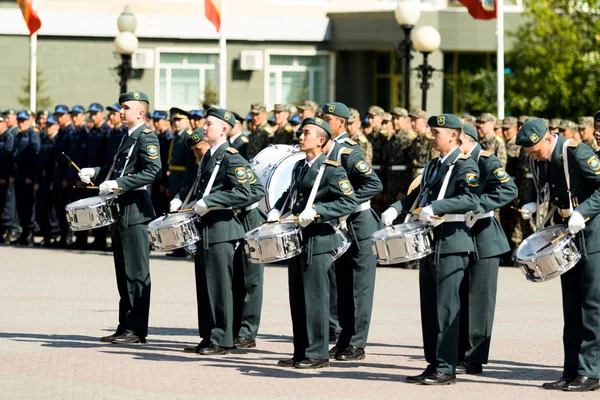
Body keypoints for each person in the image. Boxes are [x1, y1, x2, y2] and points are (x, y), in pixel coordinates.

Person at [381, 114, 480, 385]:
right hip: (430, 242)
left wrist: (437, 208)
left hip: (452, 241)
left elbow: (470, 198)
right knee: (431, 306)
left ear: (453, 135)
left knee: (446, 307)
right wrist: (396, 208)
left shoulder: (465, 165)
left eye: (435, 132)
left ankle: (446, 368)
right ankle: (434, 362)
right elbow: (417, 196)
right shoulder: (433, 165)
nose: (431, 136)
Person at [516, 118, 600, 392]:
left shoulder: (576, 152)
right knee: (572, 307)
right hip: (568, 234)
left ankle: (591, 372)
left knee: (592, 307)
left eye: (537, 150)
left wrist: (584, 211)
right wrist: (533, 200)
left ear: (549, 139)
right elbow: (544, 184)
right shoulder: (539, 157)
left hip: (592, 235)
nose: (534, 156)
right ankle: (571, 371)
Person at [268, 116, 357, 369]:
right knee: (298, 296)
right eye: (300, 132)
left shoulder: (332, 169)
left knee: (315, 297)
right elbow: (290, 193)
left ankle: (317, 353)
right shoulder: (299, 166)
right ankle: (301, 351)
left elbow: (348, 202)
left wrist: (318, 210)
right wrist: (277, 209)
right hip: (298, 237)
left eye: (306, 133)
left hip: (318, 239)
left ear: (320, 140)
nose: (300, 136)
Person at [78, 91, 161, 344]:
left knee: (136, 273)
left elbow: (153, 171)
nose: (120, 111)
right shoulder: (126, 137)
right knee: (123, 273)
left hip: (135, 211)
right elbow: (118, 170)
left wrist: (118, 184)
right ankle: (125, 325)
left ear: (140, 112)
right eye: (120, 107)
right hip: (121, 211)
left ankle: (136, 330)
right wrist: (97, 172)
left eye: (126, 107)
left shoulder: (147, 137)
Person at [171, 107, 253, 355]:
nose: (204, 128)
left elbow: (249, 191)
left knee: (219, 286)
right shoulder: (208, 157)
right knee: (205, 285)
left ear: (224, 130)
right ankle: (208, 335)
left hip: (222, 230)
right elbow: (198, 188)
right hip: (204, 229)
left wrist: (214, 201)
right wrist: (180, 199)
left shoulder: (232, 158)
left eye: (209, 125)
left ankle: (222, 339)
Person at [321, 102, 383, 362]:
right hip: (341, 226)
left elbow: (373, 183)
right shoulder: (328, 150)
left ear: (341, 124)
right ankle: (345, 339)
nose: (323, 123)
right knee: (343, 287)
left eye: (328, 119)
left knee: (360, 288)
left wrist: (346, 203)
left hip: (359, 225)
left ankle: (357, 344)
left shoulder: (349, 152)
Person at [456, 123, 517, 374]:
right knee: (459, 296)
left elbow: (508, 189)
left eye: (456, 139)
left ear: (468, 141)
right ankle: (459, 352)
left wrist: (478, 205)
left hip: (484, 236)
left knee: (479, 301)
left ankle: (475, 357)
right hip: (460, 234)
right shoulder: (454, 162)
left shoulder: (485, 160)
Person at [11, 111, 41, 246]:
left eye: (23, 121)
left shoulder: (33, 136)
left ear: (29, 122)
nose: (21, 123)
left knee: (29, 206)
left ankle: (30, 233)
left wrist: (31, 177)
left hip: (28, 175)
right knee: (20, 206)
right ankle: (23, 232)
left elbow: (35, 158)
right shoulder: (17, 136)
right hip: (19, 175)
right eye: (19, 121)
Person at [87, 103, 111, 250]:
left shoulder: (107, 132)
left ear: (102, 114)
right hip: (91, 175)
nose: (92, 116)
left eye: (95, 114)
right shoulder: (92, 132)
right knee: (93, 207)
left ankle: (102, 238)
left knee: (102, 207)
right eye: (91, 114)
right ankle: (97, 237)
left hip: (102, 174)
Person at [35, 115, 60, 247]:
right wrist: (37, 181)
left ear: (57, 126)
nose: (48, 128)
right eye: (47, 125)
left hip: (52, 178)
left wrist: (53, 181)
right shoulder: (45, 140)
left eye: (50, 125)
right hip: (43, 178)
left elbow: (57, 164)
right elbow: (39, 163)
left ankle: (55, 233)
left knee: (52, 209)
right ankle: (46, 234)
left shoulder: (57, 141)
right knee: (42, 208)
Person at [67, 105, 90, 249]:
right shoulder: (74, 134)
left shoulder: (85, 133)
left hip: (82, 178)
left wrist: (82, 177)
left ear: (83, 116)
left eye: (77, 115)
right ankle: (77, 237)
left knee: (82, 209)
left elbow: (86, 157)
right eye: (73, 115)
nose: (74, 118)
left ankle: (82, 239)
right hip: (72, 176)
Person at [151, 110, 173, 217]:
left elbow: (166, 164)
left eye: (158, 121)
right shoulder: (156, 137)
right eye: (154, 121)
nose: (156, 123)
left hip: (164, 178)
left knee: (163, 210)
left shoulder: (170, 138)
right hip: (156, 178)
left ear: (166, 121)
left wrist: (164, 183)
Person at [0, 113, 14, 243]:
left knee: (7, 205)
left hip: (5, 177)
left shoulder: (8, 137)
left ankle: (7, 230)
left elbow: (8, 160)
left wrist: (5, 175)